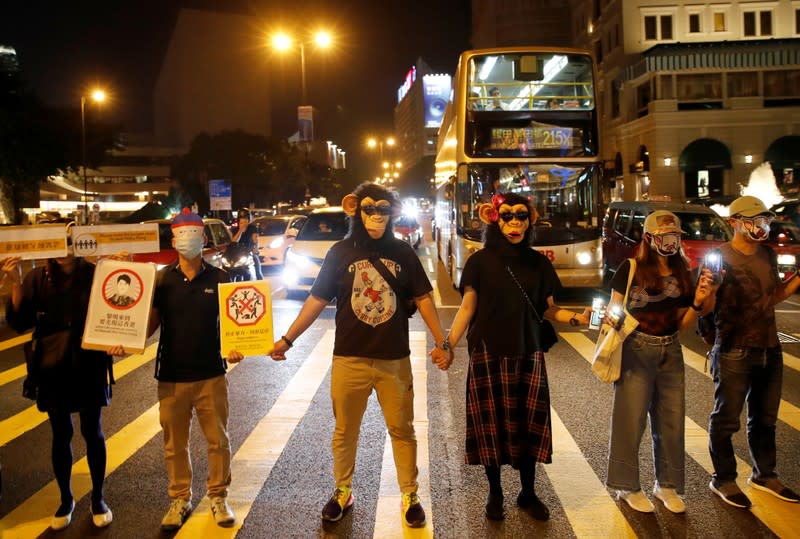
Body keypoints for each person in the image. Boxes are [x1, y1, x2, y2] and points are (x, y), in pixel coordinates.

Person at [270, 183, 450, 528]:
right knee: (345, 431)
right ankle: (343, 491)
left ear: (391, 213)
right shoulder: (339, 252)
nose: (376, 216)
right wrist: (288, 339)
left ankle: (409, 494)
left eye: (383, 209)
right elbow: (316, 300)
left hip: (393, 358)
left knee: (402, 429)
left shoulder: (402, 252)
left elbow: (424, 298)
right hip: (349, 358)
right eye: (369, 209)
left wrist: (441, 342)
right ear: (356, 210)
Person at [436, 192, 591, 521]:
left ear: (530, 219)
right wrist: (447, 345)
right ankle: (495, 493)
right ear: (495, 219)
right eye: (507, 216)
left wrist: (586, 319)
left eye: (521, 216)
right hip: (489, 353)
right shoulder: (479, 261)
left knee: (527, 425)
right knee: (490, 425)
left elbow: (550, 310)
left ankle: (528, 492)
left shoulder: (538, 263)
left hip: (528, 351)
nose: (515, 222)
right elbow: (467, 308)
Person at [112, 208, 244, 531]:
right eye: (181, 234)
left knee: (218, 440)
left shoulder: (220, 279)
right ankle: (180, 498)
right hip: (171, 375)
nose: (187, 240)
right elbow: (149, 324)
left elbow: (232, 326)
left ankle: (218, 496)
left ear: (203, 239)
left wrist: (238, 346)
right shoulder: (161, 281)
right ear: (173, 240)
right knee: (174, 444)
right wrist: (123, 338)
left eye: (194, 234)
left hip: (211, 372)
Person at [3, 228, 115, 531]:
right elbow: (20, 322)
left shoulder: (96, 273)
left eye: (69, 241)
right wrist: (14, 285)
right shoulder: (37, 277)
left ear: (79, 243)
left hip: (89, 359)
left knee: (93, 431)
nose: (64, 248)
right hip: (53, 364)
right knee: (60, 432)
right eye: (56, 241)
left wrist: (122, 266)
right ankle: (66, 499)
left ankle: (98, 498)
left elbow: (117, 307)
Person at [605, 211, 713, 513]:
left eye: (676, 236)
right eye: (665, 236)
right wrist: (612, 320)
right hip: (635, 348)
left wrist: (700, 298)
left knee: (671, 421)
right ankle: (627, 487)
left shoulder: (682, 270)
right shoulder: (630, 268)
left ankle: (666, 486)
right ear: (650, 238)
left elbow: (683, 323)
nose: (671, 242)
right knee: (630, 420)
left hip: (670, 349)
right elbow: (615, 309)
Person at [702, 196, 800, 509]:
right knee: (727, 418)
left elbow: (771, 297)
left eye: (765, 221)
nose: (762, 226)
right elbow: (703, 306)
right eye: (756, 220)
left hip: (770, 348)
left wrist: (797, 278)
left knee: (766, 418)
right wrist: (708, 291)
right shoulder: (718, 257)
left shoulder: (768, 255)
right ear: (735, 222)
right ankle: (723, 478)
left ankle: (765, 474)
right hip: (733, 349)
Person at [232, 207, 263, 280]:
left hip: (249, 252)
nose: (243, 224)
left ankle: (261, 283)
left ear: (248, 221)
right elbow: (233, 241)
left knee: (258, 270)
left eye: (245, 222)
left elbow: (255, 240)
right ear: (238, 222)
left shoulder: (252, 228)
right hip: (238, 255)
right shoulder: (235, 230)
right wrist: (240, 231)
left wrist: (255, 248)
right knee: (233, 271)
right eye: (241, 222)